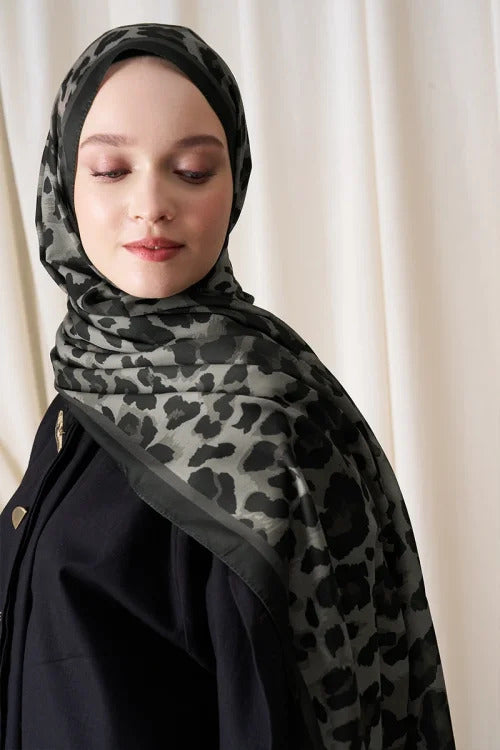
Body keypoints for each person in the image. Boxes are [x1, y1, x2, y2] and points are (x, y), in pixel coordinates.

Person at [0, 22, 455, 750]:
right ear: (62, 183)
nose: (151, 203)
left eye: (190, 170)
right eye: (111, 169)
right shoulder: (84, 389)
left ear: (234, 181)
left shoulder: (268, 421)